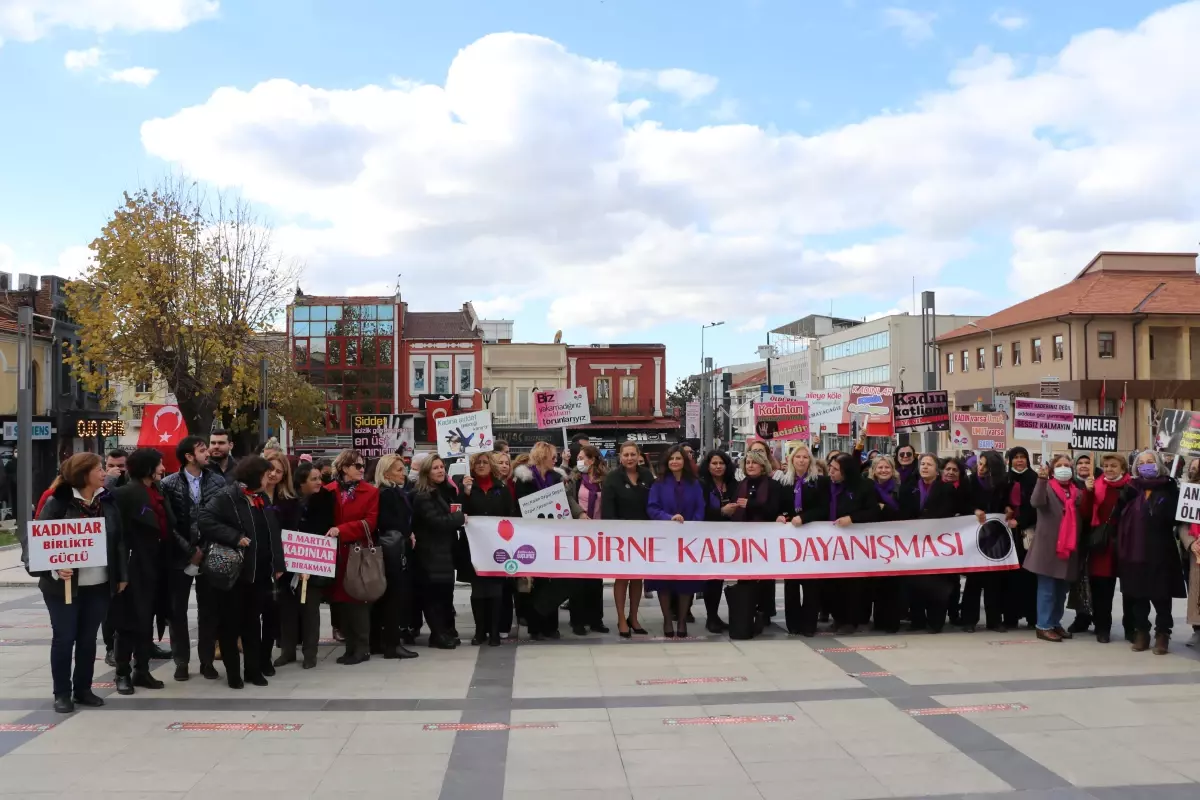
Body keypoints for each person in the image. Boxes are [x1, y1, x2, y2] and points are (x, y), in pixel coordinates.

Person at [30, 453, 128, 714]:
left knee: (87, 639)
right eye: (98, 469)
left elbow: (118, 540)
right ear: (84, 474)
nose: (103, 473)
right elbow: (35, 546)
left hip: (98, 584)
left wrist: (121, 575)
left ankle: (83, 688)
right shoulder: (57, 503)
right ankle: (62, 693)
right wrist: (53, 566)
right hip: (63, 587)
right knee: (64, 638)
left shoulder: (107, 501)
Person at [196, 456, 285, 688]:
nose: (270, 478)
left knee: (252, 624)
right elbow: (204, 519)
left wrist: (278, 564)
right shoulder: (228, 496)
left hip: (260, 573)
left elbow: (273, 533)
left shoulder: (262, 498)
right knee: (230, 624)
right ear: (256, 475)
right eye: (267, 474)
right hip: (233, 574)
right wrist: (234, 537)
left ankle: (253, 670)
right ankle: (233, 673)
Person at [110, 448, 174, 695]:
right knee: (128, 622)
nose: (162, 469)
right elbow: (117, 535)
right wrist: (121, 571)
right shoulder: (123, 495)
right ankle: (122, 673)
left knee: (146, 620)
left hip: (156, 564)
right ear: (148, 468)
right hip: (133, 566)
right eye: (159, 465)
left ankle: (142, 670)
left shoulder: (158, 491)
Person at [160, 435, 225, 680]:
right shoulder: (169, 484)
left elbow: (221, 519)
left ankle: (207, 661)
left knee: (209, 611)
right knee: (177, 611)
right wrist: (189, 551)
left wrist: (204, 550)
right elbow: (167, 523)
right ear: (189, 456)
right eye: (202, 450)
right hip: (179, 556)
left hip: (210, 555)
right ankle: (181, 661)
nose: (208, 453)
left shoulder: (217, 482)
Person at [1117, 450, 1184, 654]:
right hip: (1134, 552)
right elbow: (1118, 515)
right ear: (1136, 468)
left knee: (1162, 596)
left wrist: (1170, 499)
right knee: (1138, 596)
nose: (1146, 465)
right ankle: (1141, 633)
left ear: (1158, 464)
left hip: (1161, 551)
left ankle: (1163, 634)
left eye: (1150, 462)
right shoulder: (1130, 489)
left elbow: (1177, 518)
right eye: (1142, 463)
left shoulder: (1170, 488)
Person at [513, 442, 581, 638]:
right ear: (543, 456)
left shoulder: (556, 477)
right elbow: (521, 505)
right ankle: (535, 627)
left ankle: (551, 625)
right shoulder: (524, 478)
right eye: (553, 456)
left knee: (555, 580)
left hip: (554, 535)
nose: (556, 459)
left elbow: (565, 501)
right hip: (532, 535)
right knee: (537, 582)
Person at [276, 462, 337, 669]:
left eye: (320, 478)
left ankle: (310, 653)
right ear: (302, 482)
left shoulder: (326, 499)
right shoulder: (287, 500)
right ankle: (287, 651)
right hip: (289, 562)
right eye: (314, 479)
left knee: (311, 610)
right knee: (287, 610)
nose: (320, 482)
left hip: (313, 561)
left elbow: (326, 527)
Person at [1024, 454, 1089, 643]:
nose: (1063, 468)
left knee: (1061, 590)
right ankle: (1043, 625)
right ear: (1053, 470)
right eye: (1059, 465)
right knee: (1047, 589)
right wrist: (1041, 480)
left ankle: (1054, 622)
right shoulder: (1047, 487)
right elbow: (1036, 502)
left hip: (1068, 548)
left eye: (1067, 465)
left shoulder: (1077, 491)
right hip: (1047, 548)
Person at [901, 455, 969, 633]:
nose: (924, 467)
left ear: (936, 468)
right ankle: (917, 620)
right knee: (915, 581)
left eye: (929, 464)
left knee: (937, 582)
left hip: (937, 542)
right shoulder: (909, 488)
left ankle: (936, 620)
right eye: (922, 464)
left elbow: (949, 511)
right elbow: (904, 513)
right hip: (915, 542)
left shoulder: (946, 489)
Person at [814, 452, 879, 634]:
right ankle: (838, 617)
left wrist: (853, 518)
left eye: (836, 470)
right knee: (830, 584)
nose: (831, 473)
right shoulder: (827, 485)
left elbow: (873, 511)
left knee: (851, 586)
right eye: (831, 468)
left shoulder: (864, 486)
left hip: (854, 543)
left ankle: (851, 620)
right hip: (830, 542)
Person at [646, 446, 708, 638]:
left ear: (684, 461)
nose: (675, 461)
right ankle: (667, 619)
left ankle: (681, 620)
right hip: (664, 539)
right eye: (671, 458)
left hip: (687, 540)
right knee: (663, 581)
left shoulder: (694, 484)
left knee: (685, 582)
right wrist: (668, 518)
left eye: (678, 458)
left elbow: (700, 508)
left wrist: (692, 524)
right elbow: (652, 508)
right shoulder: (659, 484)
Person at [325, 449, 380, 664]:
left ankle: (362, 648)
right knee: (341, 603)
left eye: (362, 465)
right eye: (356, 465)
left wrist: (343, 530)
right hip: (336, 554)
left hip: (357, 553)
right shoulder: (329, 491)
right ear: (344, 468)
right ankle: (349, 646)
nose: (361, 469)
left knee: (358, 601)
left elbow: (371, 522)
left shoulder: (370, 492)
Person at [1069, 453, 1130, 643]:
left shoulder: (1132, 487)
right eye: (1106, 466)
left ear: (1123, 468)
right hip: (1102, 543)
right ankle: (1103, 627)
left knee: (1130, 589)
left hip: (1127, 542)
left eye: (1114, 466)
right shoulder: (1096, 485)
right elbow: (1086, 513)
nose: (1109, 469)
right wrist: (1088, 492)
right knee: (1102, 588)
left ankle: (1133, 627)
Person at [458, 451, 515, 646]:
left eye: (485, 462)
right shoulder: (467, 488)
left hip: (497, 547)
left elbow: (511, 516)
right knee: (478, 591)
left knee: (496, 590)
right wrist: (465, 493)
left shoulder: (501, 488)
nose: (481, 465)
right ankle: (480, 631)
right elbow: (459, 514)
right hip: (474, 548)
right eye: (477, 463)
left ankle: (494, 631)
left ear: (491, 465)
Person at [412, 455, 466, 648]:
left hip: (445, 551)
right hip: (430, 552)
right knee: (433, 596)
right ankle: (438, 634)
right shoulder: (423, 495)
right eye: (435, 468)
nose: (440, 470)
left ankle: (447, 630)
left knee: (446, 595)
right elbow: (438, 522)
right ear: (427, 472)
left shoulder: (445, 491)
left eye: (442, 467)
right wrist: (459, 518)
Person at [602, 441, 653, 637]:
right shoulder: (612, 478)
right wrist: (615, 532)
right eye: (626, 455)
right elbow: (608, 510)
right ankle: (621, 618)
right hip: (621, 536)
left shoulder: (647, 475)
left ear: (638, 455)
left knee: (638, 577)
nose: (630, 458)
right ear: (620, 457)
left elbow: (653, 503)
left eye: (633, 454)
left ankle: (634, 616)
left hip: (643, 534)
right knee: (622, 577)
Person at [371, 454, 419, 659]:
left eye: (404, 469)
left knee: (389, 598)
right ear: (386, 472)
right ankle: (392, 643)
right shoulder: (387, 493)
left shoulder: (393, 491)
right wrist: (408, 533)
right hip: (393, 551)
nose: (404, 473)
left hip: (395, 548)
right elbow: (389, 521)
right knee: (392, 598)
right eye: (399, 470)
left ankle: (383, 642)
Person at [733, 449, 787, 631]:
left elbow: (773, 509)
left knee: (765, 577)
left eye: (754, 462)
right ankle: (746, 609)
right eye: (748, 462)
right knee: (745, 575)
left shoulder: (773, 485)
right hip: (744, 538)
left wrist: (751, 505)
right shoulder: (740, 485)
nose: (750, 466)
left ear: (763, 465)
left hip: (765, 538)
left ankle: (765, 612)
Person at [780, 444, 830, 636]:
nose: (801, 460)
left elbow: (824, 508)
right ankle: (793, 624)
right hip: (791, 538)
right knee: (791, 584)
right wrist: (783, 516)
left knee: (811, 584)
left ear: (810, 461)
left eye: (805, 457)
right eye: (798, 457)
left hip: (812, 536)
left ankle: (809, 624)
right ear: (792, 460)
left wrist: (805, 517)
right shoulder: (785, 482)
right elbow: (781, 506)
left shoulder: (820, 482)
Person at [961, 451, 1011, 633]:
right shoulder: (970, 481)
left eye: (985, 465)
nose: (980, 468)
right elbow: (962, 504)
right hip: (974, 535)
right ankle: (968, 620)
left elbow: (1005, 503)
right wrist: (974, 510)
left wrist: (1007, 508)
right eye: (980, 464)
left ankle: (994, 620)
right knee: (974, 580)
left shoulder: (1001, 484)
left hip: (995, 536)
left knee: (994, 580)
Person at [257, 451, 296, 676]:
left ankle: (266, 656)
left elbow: (292, 534)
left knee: (273, 613)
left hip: (279, 564)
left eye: (278, 471)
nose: (273, 474)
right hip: (255, 561)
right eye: (270, 469)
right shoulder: (251, 495)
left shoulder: (289, 501)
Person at [565, 444, 609, 636]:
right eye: (578, 458)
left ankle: (596, 619)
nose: (579, 461)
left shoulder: (605, 481)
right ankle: (577, 620)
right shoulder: (573, 479)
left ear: (592, 460)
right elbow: (567, 498)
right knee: (577, 579)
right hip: (577, 531)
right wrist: (580, 513)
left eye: (583, 457)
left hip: (598, 533)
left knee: (595, 580)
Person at [698, 450, 738, 633]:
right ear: (708, 466)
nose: (718, 466)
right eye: (714, 463)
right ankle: (711, 617)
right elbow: (699, 511)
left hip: (730, 536)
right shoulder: (701, 484)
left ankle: (718, 617)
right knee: (711, 578)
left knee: (720, 578)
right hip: (708, 535)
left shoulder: (733, 484)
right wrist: (721, 512)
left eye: (721, 463)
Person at [864, 455, 903, 633]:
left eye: (887, 467)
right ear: (873, 470)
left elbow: (903, 513)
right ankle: (879, 620)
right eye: (880, 468)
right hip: (874, 541)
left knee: (893, 583)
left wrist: (884, 508)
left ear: (892, 469)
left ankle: (892, 621)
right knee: (877, 583)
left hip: (896, 540)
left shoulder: (900, 489)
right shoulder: (868, 489)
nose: (883, 471)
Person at [1004, 447, 1039, 629]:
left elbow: (1037, 506)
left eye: (1022, 457)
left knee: (1030, 577)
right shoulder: (1005, 478)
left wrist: (1020, 521)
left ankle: (1033, 617)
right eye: (1015, 457)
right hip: (1008, 535)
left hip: (1027, 534)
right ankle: (1011, 616)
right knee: (1010, 578)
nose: (1019, 461)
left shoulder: (1034, 479)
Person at [1180, 458, 1200, 649]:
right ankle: (1198, 629)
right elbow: (1182, 524)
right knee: (1196, 591)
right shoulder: (1190, 491)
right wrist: (1191, 542)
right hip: (1195, 553)